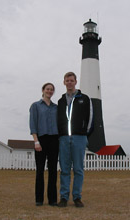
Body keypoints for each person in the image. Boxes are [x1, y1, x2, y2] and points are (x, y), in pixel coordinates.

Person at [57, 72, 93, 208]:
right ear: (64, 82)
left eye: (72, 80)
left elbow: (90, 119)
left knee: (78, 169)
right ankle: (64, 197)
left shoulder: (84, 98)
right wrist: (61, 135)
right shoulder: (60, 101)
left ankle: (77, 197)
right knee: (65, 169)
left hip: (79, 138)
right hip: (64, 139)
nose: (69, 83)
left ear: (76, 82)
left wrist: (84, 134)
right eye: (67, 80)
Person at [29, 83, 59, 206]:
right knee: (40, 170)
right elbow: (33, 124)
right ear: (43, 90)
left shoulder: (56, 107)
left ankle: (52, 199)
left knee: (53, 171)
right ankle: (39, 199)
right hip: (41, 140)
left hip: (54, 140)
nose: (49, 91)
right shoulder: (35, 106)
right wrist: (36, 141)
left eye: (51, 90)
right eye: (47, 89)